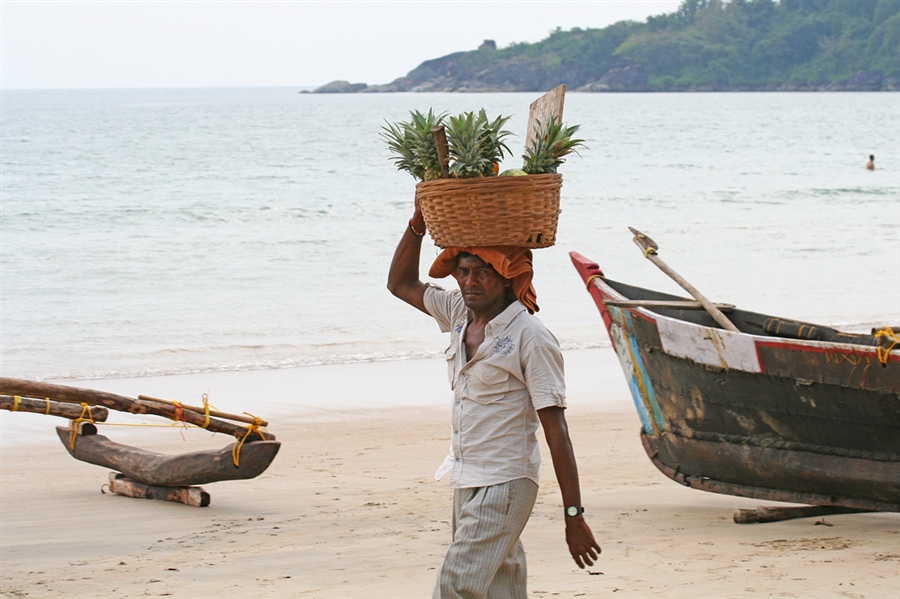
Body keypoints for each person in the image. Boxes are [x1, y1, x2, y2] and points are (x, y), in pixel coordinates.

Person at [387, 201, 600, 599]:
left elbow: (557, 432)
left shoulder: (530, 337)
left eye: (483, 272)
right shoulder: (458, 313)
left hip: (507, 481)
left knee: (456, 585)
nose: (470, 281)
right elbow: (400, 284)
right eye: (464, 271)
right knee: (500, 588)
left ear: (506, 279)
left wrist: (574, 515)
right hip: (466, 478)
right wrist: (416, 224)